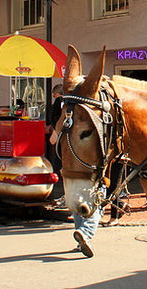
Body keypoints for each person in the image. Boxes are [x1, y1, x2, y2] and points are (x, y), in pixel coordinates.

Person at [48, 84, 100, 258]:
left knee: (90, 198)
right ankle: (84, 235)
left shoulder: (82, 112)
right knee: (82, 200)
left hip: (84, 165)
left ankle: (84, 235)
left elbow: (54, 140)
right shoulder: (64, 108)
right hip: (76, 165)